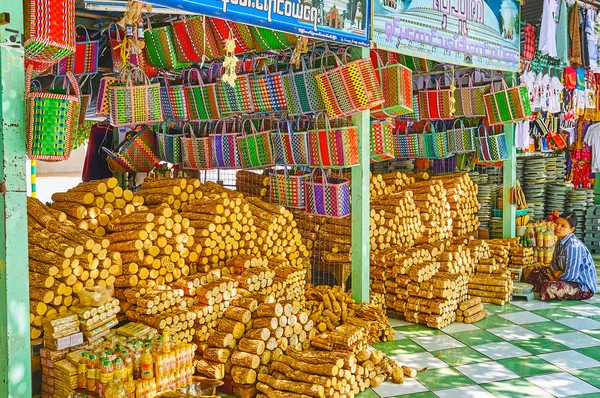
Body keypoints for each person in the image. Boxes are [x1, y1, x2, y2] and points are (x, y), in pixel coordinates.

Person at [527, 212, 597, 300]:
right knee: (536, 271)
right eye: (557, 223)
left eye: (563, 226)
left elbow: (572, 275)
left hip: (581, 286)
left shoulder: (573, 246)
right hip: (562, 277)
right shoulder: (559, 242)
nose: (557, 227)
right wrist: (555, 273)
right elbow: (553, 263)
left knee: (550, 287)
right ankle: (547, 287)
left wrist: (555, 279)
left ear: (571, 229)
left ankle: (547, 287)